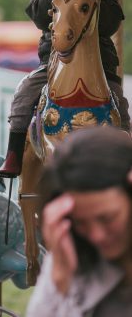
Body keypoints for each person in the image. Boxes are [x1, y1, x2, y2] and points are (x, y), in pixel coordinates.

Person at [0, 0, 127, 177]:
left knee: (119, 101)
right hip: (54, 65)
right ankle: (14, 152)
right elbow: (38, 17)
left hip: (99, 68)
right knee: (24, 92)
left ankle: (124, 153)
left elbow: (110, 24)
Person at [27, 126, 132, 316]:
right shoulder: (70, 251)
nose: (97, 235)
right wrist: (59, 282)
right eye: (81, 223)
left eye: (107, 218)